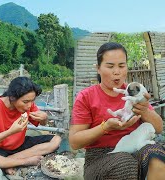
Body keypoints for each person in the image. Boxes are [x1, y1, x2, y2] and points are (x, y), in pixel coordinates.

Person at [69, 42, 165, 180]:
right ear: (98, 68)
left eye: (121, 66)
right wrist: (105, 127)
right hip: (100, 157)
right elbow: (74, 142)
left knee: (156, 154)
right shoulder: (86, 97)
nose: (117, 71)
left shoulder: (133, 92)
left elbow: (159, 128)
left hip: (135, 146)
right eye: (110, 66)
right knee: (124, 163)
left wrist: (144, 110)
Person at [0, 76, 62, 175]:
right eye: (25, 102)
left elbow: (41, 123)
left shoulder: (28, 104)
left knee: (56, 140)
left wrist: (44, 118)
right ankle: (24, 161)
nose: (29, 106)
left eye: (32, 101)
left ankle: (7, 162)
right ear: (12, 97)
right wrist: (11, 131)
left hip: (20, 146)